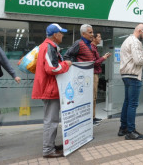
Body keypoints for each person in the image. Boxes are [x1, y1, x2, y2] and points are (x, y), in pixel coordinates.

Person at [32, 23, 72, 158]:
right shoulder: (49, 46)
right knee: (51, 120)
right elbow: (52, 68)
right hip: (50, 90)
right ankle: (48, 149)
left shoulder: (48, 46)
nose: (62, 35)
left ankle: (51, 145)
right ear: (55, 35)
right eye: (61, 33)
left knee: (52, 119)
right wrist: (66, 64)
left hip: (50, 88)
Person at [118, 24, 143, 140]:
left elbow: (134, 58)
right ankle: (131, 131)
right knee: (133, 104)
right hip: (133, 75)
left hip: (126, 74)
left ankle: (123, 128)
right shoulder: (136, 42)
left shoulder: (127, 40)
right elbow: (138, 60)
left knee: (127, 102)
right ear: (140, 31)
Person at [63, 24, 99, 125]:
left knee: (90, 98)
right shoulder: (78, 43)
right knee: (82, 100)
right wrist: (73, 67)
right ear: (83, 34)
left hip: (89, 76)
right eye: (90, 32)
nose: (92, 34)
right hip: (81, 78)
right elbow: (67, 55)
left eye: (92, 32)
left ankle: (90, 119)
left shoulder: (90, 45)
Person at [91, 33, 112, 124]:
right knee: (92, 97)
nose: (100, 38)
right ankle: (91, 118)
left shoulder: (94, 48)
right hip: (92, 74)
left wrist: (103, 58)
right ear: (94, 38)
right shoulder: (91, 48)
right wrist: (103, 58)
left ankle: (93, 117)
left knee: (94, 98)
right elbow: (94, 63)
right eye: (99, 37)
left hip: (95, 74)